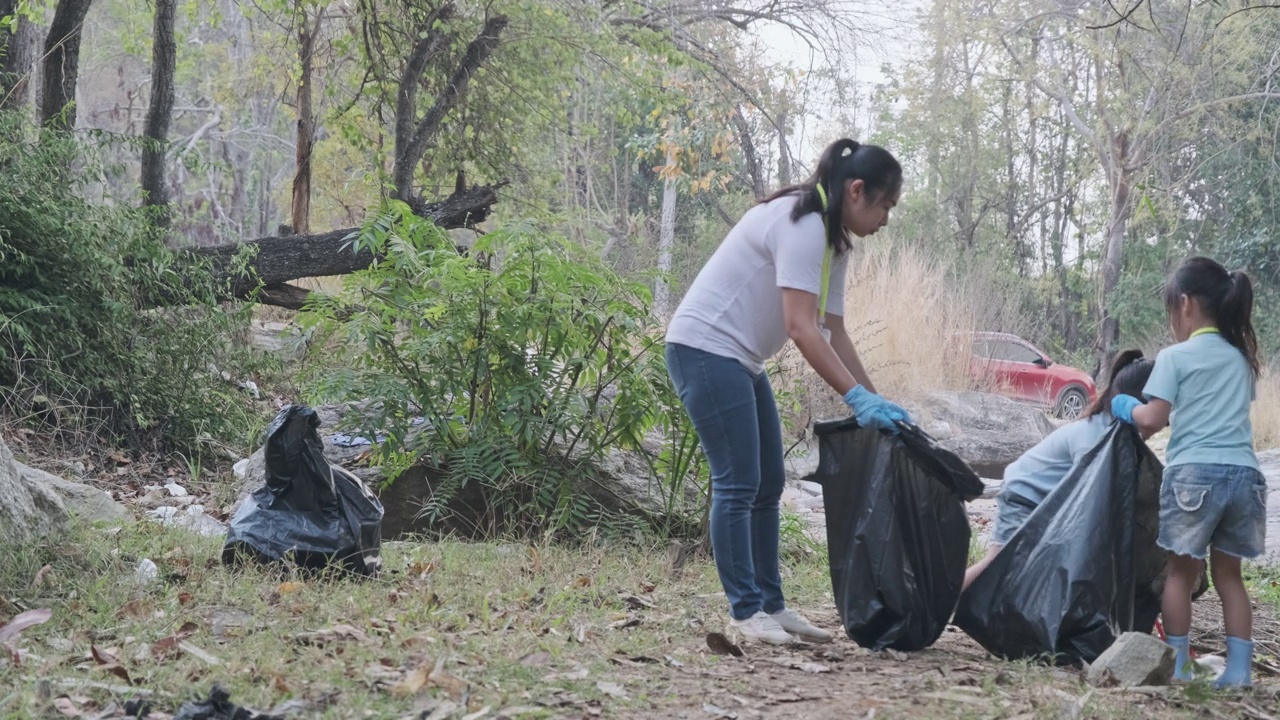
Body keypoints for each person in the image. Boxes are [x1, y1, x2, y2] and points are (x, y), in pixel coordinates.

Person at [664, 139, 912, 645]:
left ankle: (772, 607)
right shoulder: (801, 222)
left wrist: (877, 398)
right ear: (856, 190)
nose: (886, 218)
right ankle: (745, 612)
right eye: (885, 205)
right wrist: (855, 401)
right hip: (704, 349)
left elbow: (834, 331)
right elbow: (801, 329)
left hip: (740, 359)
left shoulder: (834, 241)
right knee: (738, 482)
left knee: (769, 482)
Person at [1112, 256, 1266, 688]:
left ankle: (1178, 664)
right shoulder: (1241, 359)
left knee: (1180, 574)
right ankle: (1238, 672)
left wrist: (1125, 405)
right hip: (1244, 477)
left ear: (1184, 303)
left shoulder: (1175, 357)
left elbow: (1153, 419)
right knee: (1229, 578)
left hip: (1194, 476)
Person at [962, 350, 1155, 590]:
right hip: (1025, 495)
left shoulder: (1117, 436)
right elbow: (1089, 500)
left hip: (1046, 502)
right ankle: (935, 606)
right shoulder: (1098, 437)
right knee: (997, 567)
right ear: (1138, 403)